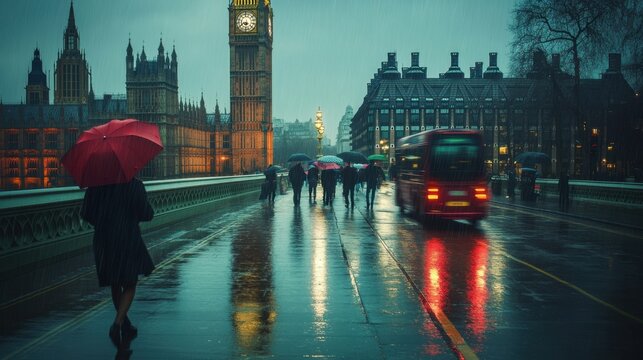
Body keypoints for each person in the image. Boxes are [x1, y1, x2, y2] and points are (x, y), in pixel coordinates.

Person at [81, 178, 154, 348]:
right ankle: (117, 324)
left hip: (104, 239)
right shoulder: (134, 185)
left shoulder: (96, 185)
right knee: (130, 282)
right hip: (127, 237)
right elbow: (147, 214)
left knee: (115, 282)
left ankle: (124, 323)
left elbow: (86, 213)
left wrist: (104, 222)